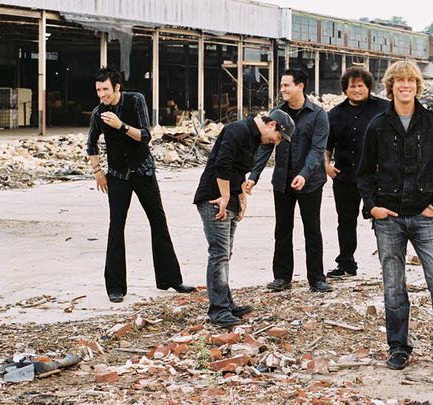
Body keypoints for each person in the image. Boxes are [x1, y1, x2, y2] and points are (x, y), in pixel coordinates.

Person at [357, 60, 433, 372]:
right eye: (399, 80)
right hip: (388, 218)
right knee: (394, 287)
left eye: (410, 80)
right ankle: (398, 348)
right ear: (391, 86)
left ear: (417, 86)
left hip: (425, 217)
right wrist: (372, 207)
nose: (405, 85)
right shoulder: (377, 125)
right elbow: (364, 173)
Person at [86, 66, 194, 303]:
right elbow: (91, 144)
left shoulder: (136, 101)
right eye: (98, 90)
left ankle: (170, 279)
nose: (102, 94)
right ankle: (115, 288)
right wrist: (97, 172)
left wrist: (121, 126)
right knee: (116, 228)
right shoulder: (98, 113)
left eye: (105, 89)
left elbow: (145, 136)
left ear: (116, 87)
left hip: (143, 171)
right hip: (117, 175)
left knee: (158, 221)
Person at [193, 110, 295, 327]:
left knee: (225, 253)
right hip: (214, 199)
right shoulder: (237, 130)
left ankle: (226, 303)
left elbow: (238, 172)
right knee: (219, 254)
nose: (276, 142)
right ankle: (218, 310)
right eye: (278, 137)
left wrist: (241, 200)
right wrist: (224, 196)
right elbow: (222, 164)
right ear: (272, 124)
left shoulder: (253, 137)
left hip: (228, 199)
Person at [245, 69, 332, 293]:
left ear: (300, 86)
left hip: (310, 181)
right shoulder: (276, 113)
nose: (282, 89)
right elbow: (266, 146)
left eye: (286, 85)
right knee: (282, 229)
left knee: (312, 229)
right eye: (281, 85)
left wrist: (304, 174)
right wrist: (254, 176)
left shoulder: (318, 115)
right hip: (282, 181)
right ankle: (282, 277)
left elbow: (317, 150)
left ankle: (317, 278)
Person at [325, 67, 389, 278]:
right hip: (344, 176)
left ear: (368, 87)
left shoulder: (384, 109)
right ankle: (346, 264)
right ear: (345, 89)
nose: (357, 89)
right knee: (345, 221)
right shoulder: (334, 114)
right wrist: (326, 166)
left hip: (376, 178)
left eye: (361, 85)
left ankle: (389, 264)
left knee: (382, 220)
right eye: (352, 86)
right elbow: (326, 145)